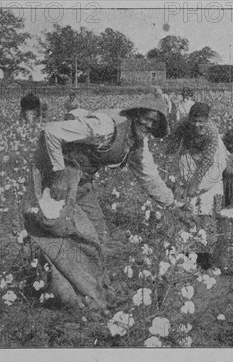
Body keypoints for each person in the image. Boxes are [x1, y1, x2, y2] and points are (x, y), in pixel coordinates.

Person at [22, 94, 181, 314]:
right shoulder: (106, 126)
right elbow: (50, 132)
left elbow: (149, 177)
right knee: (59, 231)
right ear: (135, 114)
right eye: (147, 118)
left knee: (98, 232)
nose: (149, 125)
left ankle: (95, 293)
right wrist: (58, 175)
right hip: (57, 174)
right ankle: (63, 294)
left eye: (155, 122)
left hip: (82, 181)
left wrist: (172, 204)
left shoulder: (136, 145)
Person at [164, 102, 228, 216]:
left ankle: (206, 211)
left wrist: (195, 182)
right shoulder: (182, 124)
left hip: (212, 154)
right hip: (190, 148)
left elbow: (208, 160)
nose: (196, 124)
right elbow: (172, 145)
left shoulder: (211, 131)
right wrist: (167, 166)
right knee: (184, 178)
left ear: (207, 120)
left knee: (209, 180)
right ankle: (185, 207)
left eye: (201, 122)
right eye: (194, 121)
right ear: (189, 118)